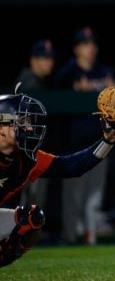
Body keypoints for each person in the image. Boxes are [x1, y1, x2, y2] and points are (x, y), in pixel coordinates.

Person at [0, 88, 115, 267]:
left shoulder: (27, 160)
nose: (30, 127)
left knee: (32, 218)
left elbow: (71, 166)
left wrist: (107, 140)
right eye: (22, 121)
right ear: (2, 127)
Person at [54, 27, 115, 245]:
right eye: (84, 44)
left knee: (95, 197)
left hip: (100, 142)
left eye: (92, 44)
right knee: (73, 198)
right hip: (74, 146)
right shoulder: (65, 75)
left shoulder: (106, 71)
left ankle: (91, 239)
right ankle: (70, 238)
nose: (89, 49)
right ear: (76, 48)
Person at [15, 38, 57, 209]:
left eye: (50, 58)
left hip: (28, 150)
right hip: (26, 151)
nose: (49, 62)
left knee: (30, 201)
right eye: (43, 58)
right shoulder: (28, 82)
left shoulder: (37, 81)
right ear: (33, 60)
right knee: (28, 202)